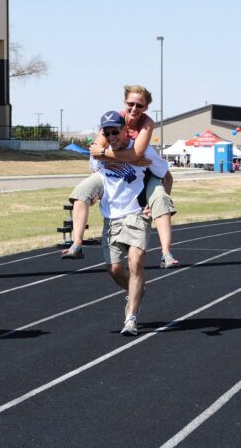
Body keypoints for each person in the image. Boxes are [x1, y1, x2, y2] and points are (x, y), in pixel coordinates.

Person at [61, 85, 179, 269]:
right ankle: (77, 244)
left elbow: (137, 155)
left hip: (144, 173)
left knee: (161, 199)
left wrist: (121, 156)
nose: (134, 109)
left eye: (139, 105)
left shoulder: (146, 126)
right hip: (113, 171)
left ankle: (166, 253)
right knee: (81, 192)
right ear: (124, 103)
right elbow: (95, 152)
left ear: (145, 107)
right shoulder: (113, 120)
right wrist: (102, 160)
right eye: (130, 104)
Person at [88, 110, 169, 336]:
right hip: (111, 216)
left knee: (136, 262)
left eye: (116, 131)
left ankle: (131, 317)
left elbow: (165, 174)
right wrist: (94, 195)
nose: (112, 136)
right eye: (107, 132)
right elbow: (97, 178)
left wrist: (158, 202)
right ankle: (136, 288)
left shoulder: (143, 150)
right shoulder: (97, 153)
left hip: (136, 214)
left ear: (125, 130)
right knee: (115, 269)